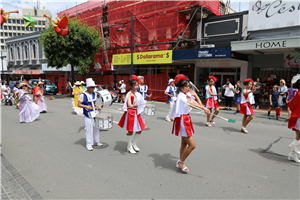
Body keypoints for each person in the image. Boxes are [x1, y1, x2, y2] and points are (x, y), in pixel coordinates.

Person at [172, 74, 209, 173]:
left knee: (184, 144)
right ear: (180, 87)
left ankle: (180, 161)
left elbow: (198, 104)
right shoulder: (181, 97)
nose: (188, 88)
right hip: (182, 120)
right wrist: (204, 109)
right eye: (186, 86)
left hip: (186, 119)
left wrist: (196, 95)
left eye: (189, 86)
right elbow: (194, 105)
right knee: (192, 145)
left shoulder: (185, 95)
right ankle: (181, 162)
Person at [118, 75, 146, 154]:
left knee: (140, 130)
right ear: (131, 86)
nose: (137, 86)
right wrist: (134, 105)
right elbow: (129, 104)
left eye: (137, 85)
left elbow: (141, 103)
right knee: (130, 130)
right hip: (131, 113)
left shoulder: (139, 94)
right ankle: (129, 146)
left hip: (137, 113)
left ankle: (134, 144)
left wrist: (143, 105)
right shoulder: (129, 94)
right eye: (135, 85)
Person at [77, 78, 103, 151]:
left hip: (95, 113)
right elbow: (78, 104)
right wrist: (86, 106)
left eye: (94, 87)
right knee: (89, 129)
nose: (93, 88)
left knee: (96, 127)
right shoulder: (83, 95)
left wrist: (98, 106)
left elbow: (94, 103)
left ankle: (96, 141)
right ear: (88, 87)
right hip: (88, 114)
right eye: (92, 87)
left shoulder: (94, 93)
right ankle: (89, 144)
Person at [287, 74, 300, 163]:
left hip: (297, 117)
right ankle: (293, 148)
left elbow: (291, 105)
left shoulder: (298, 93)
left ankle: (292, 154)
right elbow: (291, 105)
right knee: (298, 137)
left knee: (298, 137)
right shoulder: (299, 94)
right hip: (298, 117)